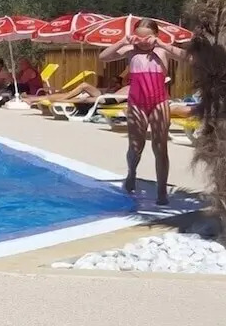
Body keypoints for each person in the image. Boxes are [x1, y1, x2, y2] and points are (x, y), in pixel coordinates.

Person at [99, 19, 186, 205]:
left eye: (148, 37)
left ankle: (161, 191)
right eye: (140, 37)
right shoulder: (130, 51)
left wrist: (162, 44)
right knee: (135, 146)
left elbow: (189, 58)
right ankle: (132, 173)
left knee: (160, 147)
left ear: (156, 36)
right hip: (137, 103)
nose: (144, 42)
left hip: (159, 102)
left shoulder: (162, 51)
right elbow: (103, 57)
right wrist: (122, 41)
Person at [24, 75, 128, 104]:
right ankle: (34, 99)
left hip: (106, 98)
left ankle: (63, 99)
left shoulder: (129, 87)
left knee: (84, 86)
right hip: (104, 95)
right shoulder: (124, 86)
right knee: (67, 94)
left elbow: (116, 98)